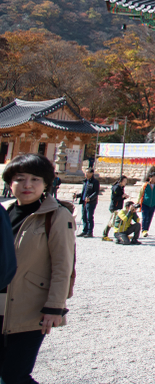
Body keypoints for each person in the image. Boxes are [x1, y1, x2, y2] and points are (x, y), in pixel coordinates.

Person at [0, 154, 75, 384]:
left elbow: (63, 265)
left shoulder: (56, 216)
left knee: (15, 375)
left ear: (45, 184)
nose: (27, 185)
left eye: (35, 179)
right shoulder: (5, 212)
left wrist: (54, 307)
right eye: (19, 179)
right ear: (9, 182)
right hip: (1, 305)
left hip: (31, 308)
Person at [101, 175, 129, 241]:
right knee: (112, 221)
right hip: (114, 207)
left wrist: (124, 197)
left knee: (117, 221)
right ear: (120, 181)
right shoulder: (116, 187)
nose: (125, 182)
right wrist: (122, 197)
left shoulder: (121, 187)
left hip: (119, 206)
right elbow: (114, 198)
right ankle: (105, 235)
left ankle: (121, 234)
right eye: (124, 181)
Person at [77, 167, 100, 238]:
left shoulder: (95, 182)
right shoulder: (85, 181)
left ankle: (90, 232)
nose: (86, 174)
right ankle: (85, 231)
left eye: (87, 172)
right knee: (84, 216)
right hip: (84, 201)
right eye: (85, 172)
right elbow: (84, 192)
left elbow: (96, 192)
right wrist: (77, 195)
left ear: (91, 173)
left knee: (89, 217)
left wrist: (90, 198)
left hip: (91, 202)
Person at [137, 171, 155, 237]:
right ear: (150, 177)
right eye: (154, 177)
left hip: (153, 204)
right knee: (145, 217)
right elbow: (141, 193)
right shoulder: (145, 185)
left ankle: (146, 229)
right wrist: (138, 201)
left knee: (150, 218)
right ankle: (143, 230)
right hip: (145, 203)